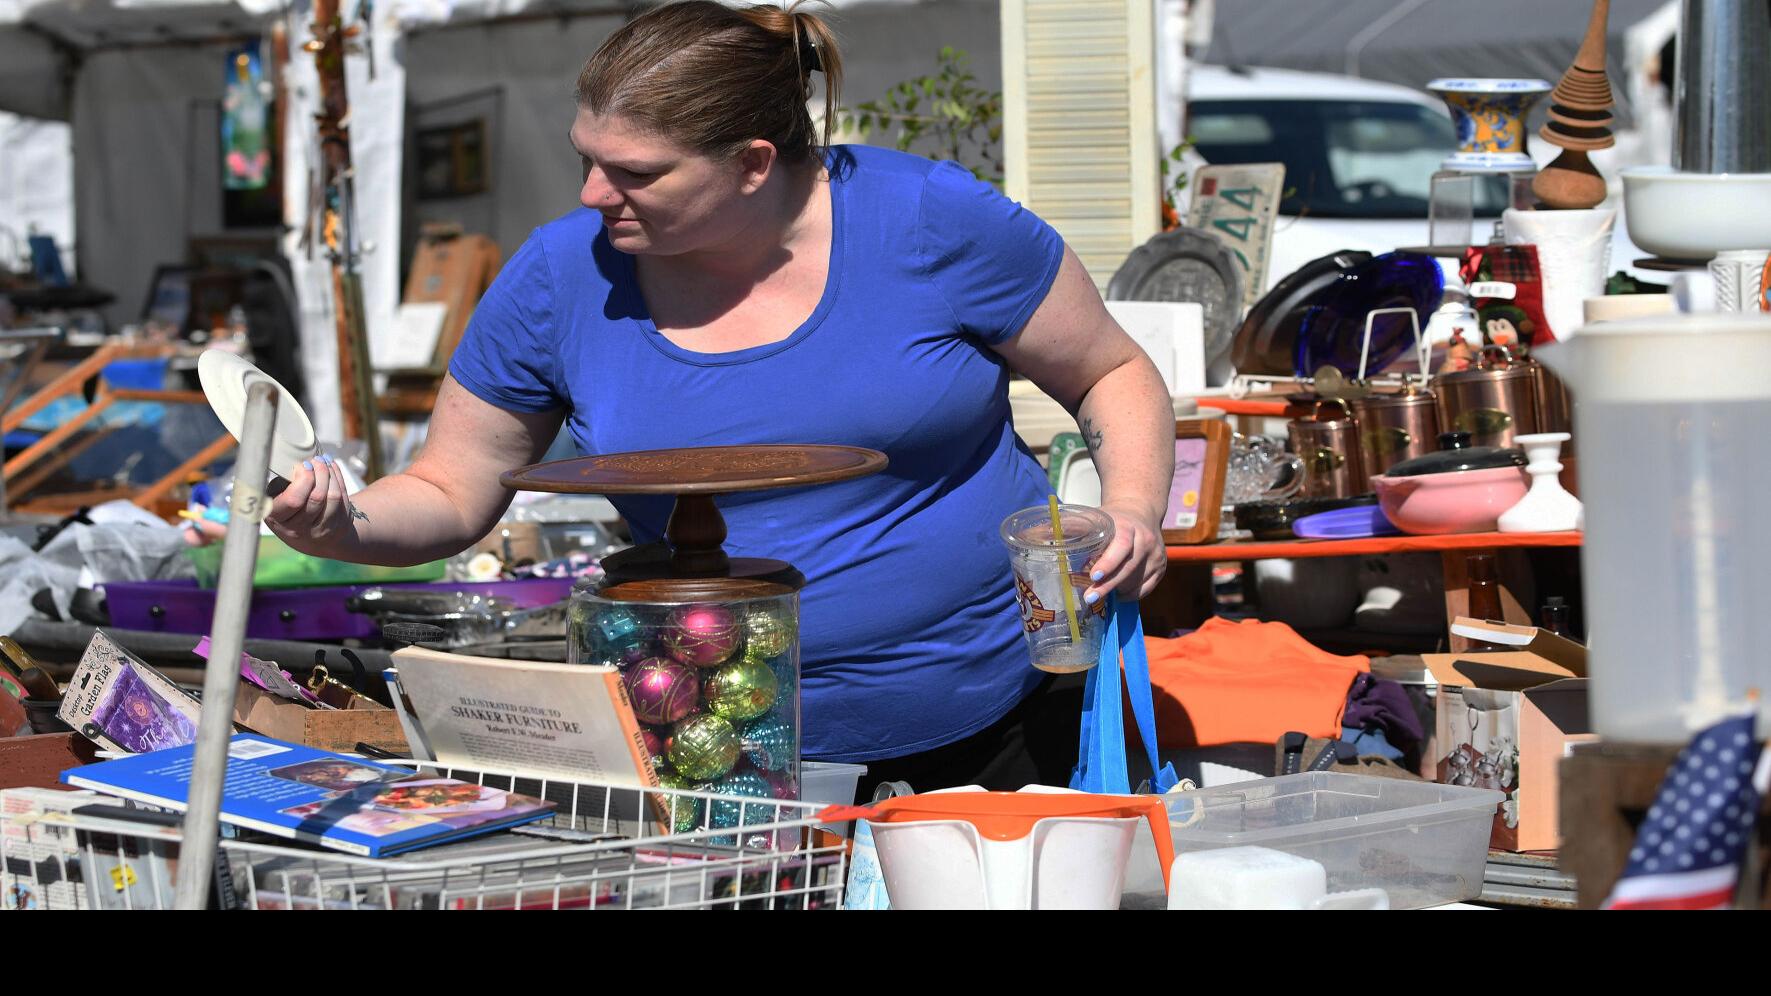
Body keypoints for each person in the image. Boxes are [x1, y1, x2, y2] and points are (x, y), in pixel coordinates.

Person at [266, 0, 1175, 792]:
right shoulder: (558, 276)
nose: (592, 194)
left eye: (637, 173)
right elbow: (451, 489)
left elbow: (1109, 372)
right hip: (706, 750)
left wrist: (1132, 509)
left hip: (999, 719)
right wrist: (338, 526)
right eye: (586, 158)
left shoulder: (930, 220)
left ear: (751, 162)